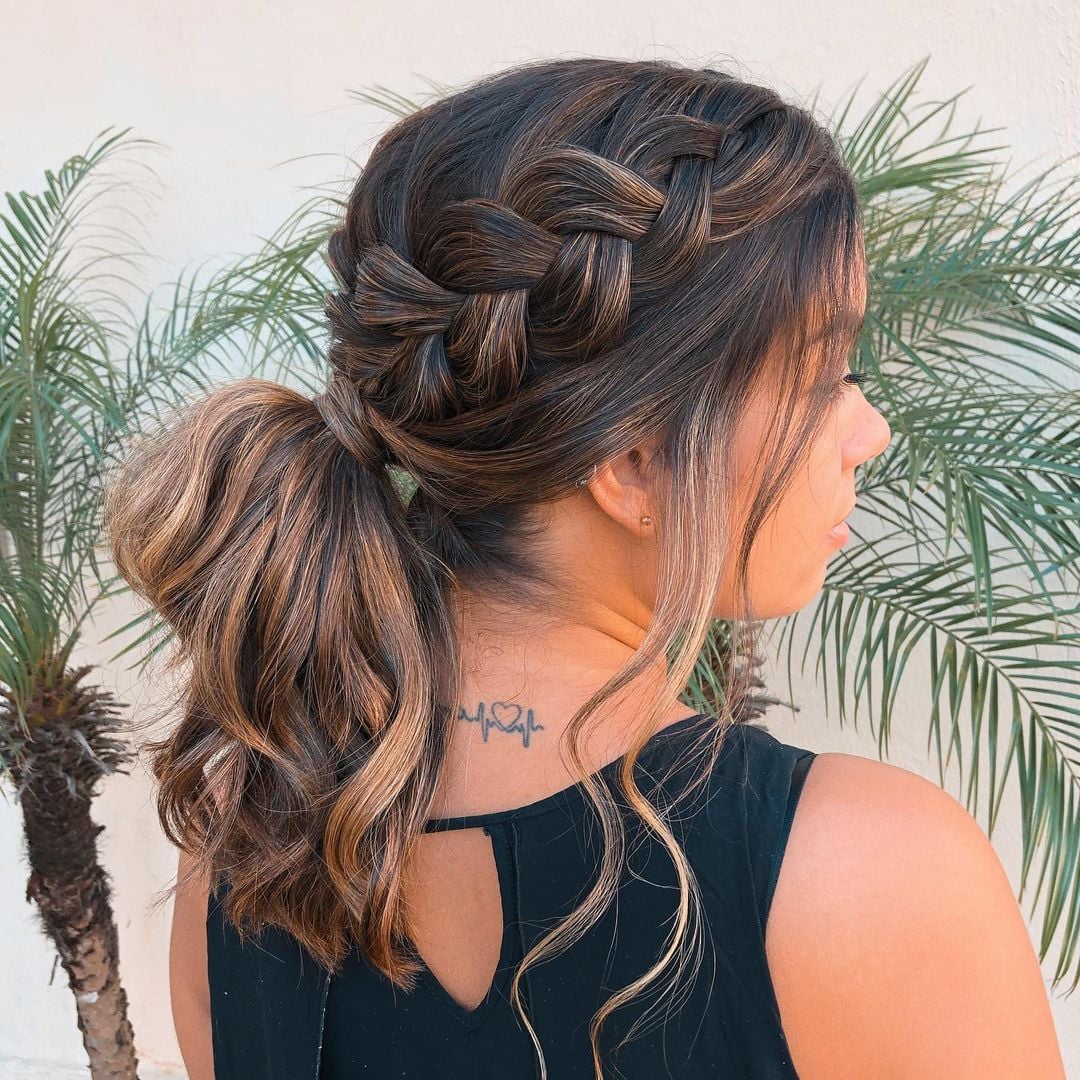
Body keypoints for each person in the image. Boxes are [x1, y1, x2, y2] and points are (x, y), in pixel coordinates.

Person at [104, 56, 1065, 1079]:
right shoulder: (866, 875)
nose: (867, 430)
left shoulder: (250, 857)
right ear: (633, 461)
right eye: (823, 374)